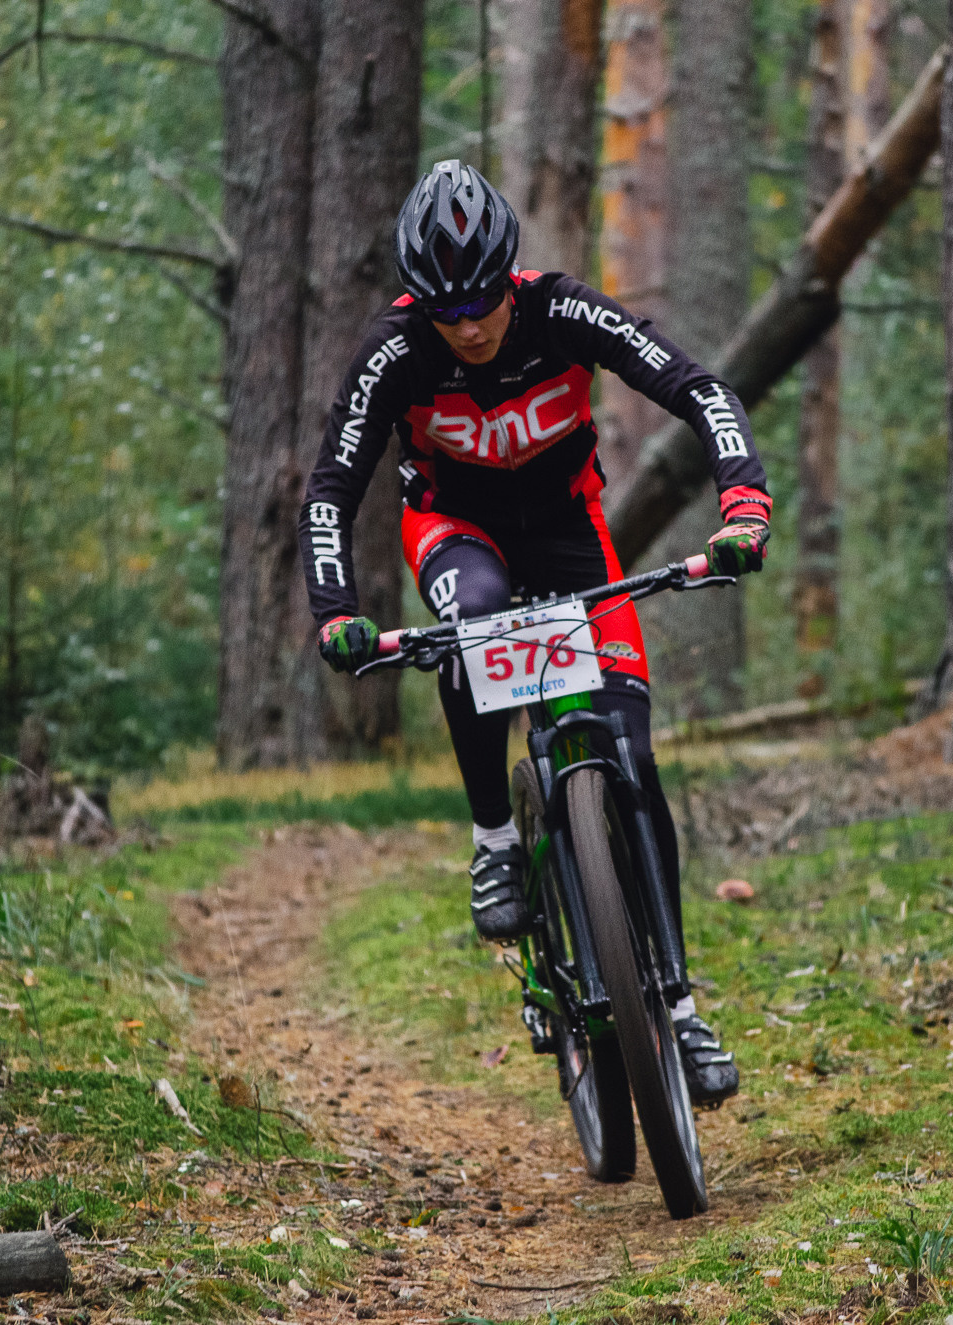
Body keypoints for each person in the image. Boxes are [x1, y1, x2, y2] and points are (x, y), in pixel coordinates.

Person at [297, 160, 770, 1106]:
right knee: (471, 619)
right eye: (444, 308)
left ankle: (676, 1010)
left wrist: (744, 504)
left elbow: (699, 389)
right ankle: (493, 837)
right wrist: (336, 610)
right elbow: (331, 490)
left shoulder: (561, 312)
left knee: (632, 756)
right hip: (455, 532)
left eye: (481, 301)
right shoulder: (396, 351)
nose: (468, 325)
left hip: (570, 533)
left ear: (508, 274)